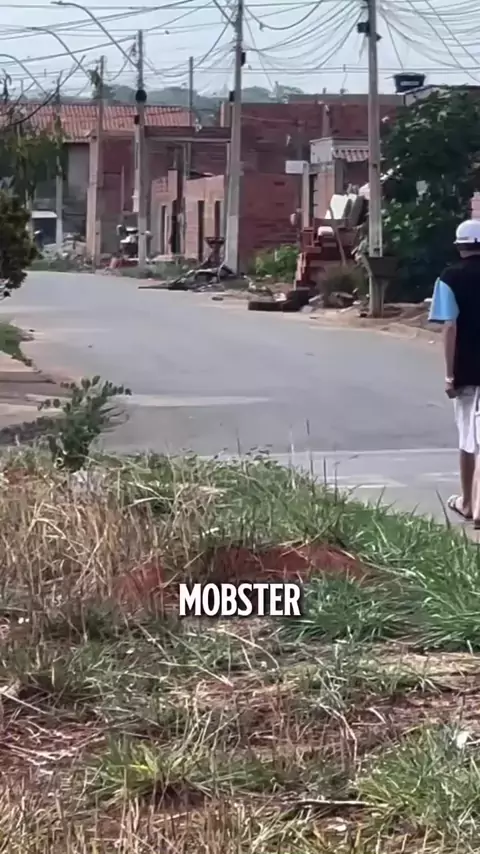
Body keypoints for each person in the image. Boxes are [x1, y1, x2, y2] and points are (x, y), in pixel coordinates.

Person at [429, 218, 480, 527]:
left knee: (468, 438)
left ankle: (468, 502)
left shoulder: (449, 278)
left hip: (467, 370)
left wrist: (449, 375)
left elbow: (450, 326)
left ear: (459, 247)